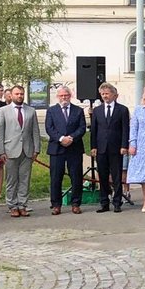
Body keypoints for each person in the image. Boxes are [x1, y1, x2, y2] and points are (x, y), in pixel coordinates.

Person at [0, 84, 41, 217]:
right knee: (11, 180)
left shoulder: (31, 111)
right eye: (17, 94)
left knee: (25, 179)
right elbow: (0, 133)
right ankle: (12, 205)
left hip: (27, 150)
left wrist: (36, 149)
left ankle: (22, 205)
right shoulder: (3, 111)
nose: (19, 96)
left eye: (21, 94)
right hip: (10, 150)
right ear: (11, 95)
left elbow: (35, 131)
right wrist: (1, 151)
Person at [45, 86, 86, 215]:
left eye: (66, 95)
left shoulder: (78, 110)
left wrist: (71, 138)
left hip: (74, 148)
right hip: (57, 148)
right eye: (61, 96)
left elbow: (82, 128)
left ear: (70, 96)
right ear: (58, 97)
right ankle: (56, 204)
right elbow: (49, 128)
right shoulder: (51, 111)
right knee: (56, 177)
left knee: (76, 177)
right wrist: (61, 138)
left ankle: (75, 203)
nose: (64, 98)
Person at [89, 82, 129, 213]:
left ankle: (117, 202)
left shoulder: (122, 109)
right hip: (101, 148)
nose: (105, 96)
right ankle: (104, 202)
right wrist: (93, 146)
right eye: (102, 94)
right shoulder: (97, 110)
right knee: (103, 176)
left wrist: (124, 145)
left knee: (117, 176)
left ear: (114, 95)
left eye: (107, 93)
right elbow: (93, 130)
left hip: (116, 147)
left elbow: (125, 129)